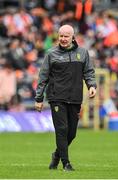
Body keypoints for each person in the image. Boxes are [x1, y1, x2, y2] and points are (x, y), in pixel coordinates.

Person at [35, 24, 97, 171]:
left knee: (72, 133)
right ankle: (66, 163)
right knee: (62, 129)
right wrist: (39, 99)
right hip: (57, 97)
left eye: (66, 36)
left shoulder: (83, 53)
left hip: (75, 98)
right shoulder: (51, 54)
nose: (63, 39)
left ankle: (56, 155)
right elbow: (42, 78)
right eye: (61, 36)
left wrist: (92, 86)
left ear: (72, 37)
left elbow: (89, 72)